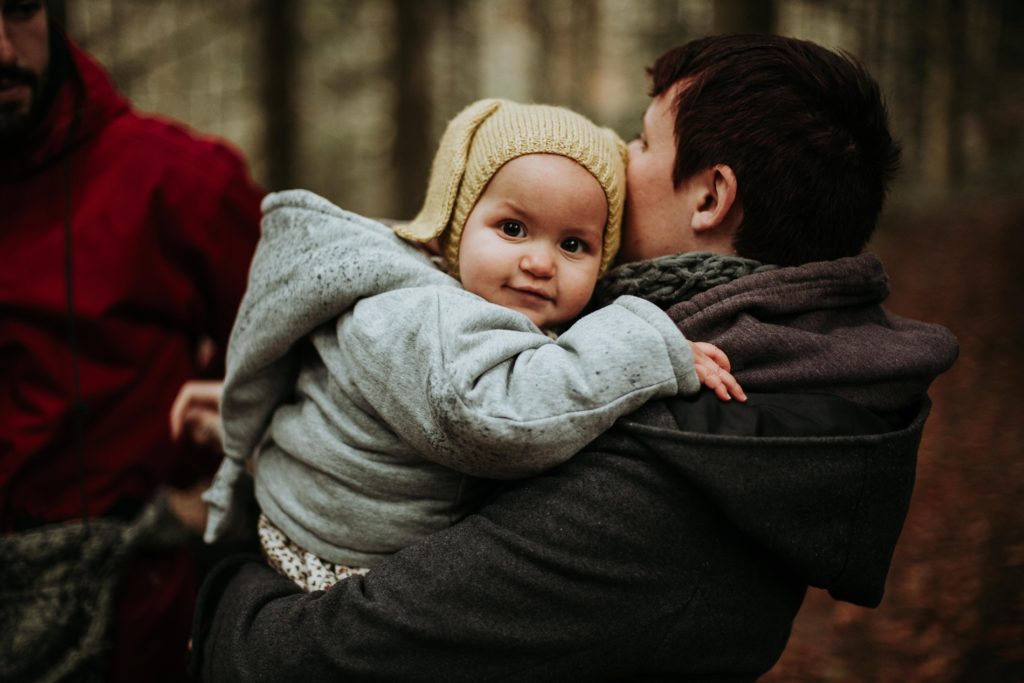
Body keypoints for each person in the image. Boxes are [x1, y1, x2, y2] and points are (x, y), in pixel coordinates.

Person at [190, 35, 959, 681]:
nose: (619, 156)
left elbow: (303, 658)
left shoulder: (678, 439)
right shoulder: (766, 352)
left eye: (644, 140)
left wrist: (228, 560)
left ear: (710, 196)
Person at [200, 98, 743, 593]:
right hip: (331, 562)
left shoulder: (472, 302)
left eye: (573, 244)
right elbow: (494, 413)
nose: (538, 261)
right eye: (512, 228)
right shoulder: (421, 313)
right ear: (455, 228)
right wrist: (643, 347)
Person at [0, 2, 263, 682]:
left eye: (17, 7)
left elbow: (283, 350)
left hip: (132, 613)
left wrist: (201, 482)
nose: (1, 48)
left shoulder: (176, 179)